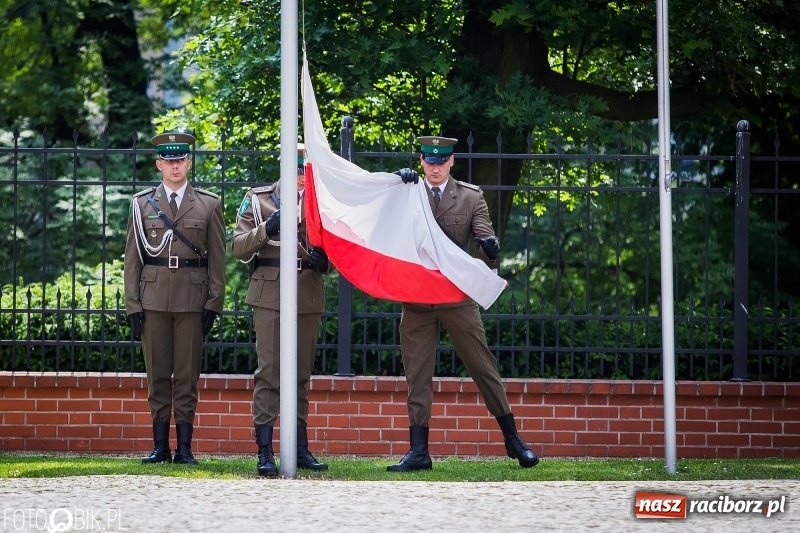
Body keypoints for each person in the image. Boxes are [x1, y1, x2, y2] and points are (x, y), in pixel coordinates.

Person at [387, 135, 540, 471]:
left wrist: (489, 245)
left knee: (483, 367)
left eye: (441, 161)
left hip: (456, 295)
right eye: (429, 160)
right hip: (417, 298)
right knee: (417, 374)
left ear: (451, 161)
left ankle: (513, 440)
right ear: (421, 161)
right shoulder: (407, 192)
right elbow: (386, 226)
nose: (435, 167)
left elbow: (485, 234)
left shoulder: (471, 196)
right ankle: (419, 452)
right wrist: (397, 182)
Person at [124, 131, 226, 465]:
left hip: (192, 301)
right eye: (169, 161)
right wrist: (133, 303)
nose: (175, 166)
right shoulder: (142, 205)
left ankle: (183, 447)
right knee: (157, 375)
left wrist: (214, 301)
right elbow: (132, 259)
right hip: (152, 299)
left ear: (189, 162)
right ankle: (159, 446)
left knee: (185, 375)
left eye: (180, 160)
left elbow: (218, 259)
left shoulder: (209, 204)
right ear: (159, 165)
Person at [231, 143, 332, 477]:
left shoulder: (322, 201)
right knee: (270, 372)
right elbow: (237, 246)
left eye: (305, 170)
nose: (301, 176)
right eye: (295, 168)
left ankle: (300, 448)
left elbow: (339, 246)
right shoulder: (258, 199)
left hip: (306, 290)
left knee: (301, 375)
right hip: (270, 291)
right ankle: (264, 451)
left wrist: (325, 261)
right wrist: (267, 229)